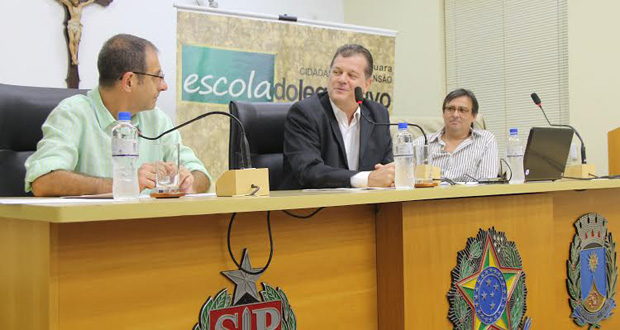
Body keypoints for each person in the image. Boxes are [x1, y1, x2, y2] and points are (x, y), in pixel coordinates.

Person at [25, 34, 210, 196]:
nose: (164, 86)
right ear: (129, 81)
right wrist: (123, 185)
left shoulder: (156, 118)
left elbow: (201, 174)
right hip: (89, 231)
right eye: (157, 77)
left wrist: (188, 183)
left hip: (149, 229)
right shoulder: (72, 113)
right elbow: (43, 180)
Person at [281, 44, 394, 190]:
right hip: (311, 208)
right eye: (337, 72)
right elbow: (309, 172)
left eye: (351, 75)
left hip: (364, 208)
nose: (342, 79)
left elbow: (385, 167)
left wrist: (390, 176)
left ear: (367, 84)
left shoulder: (378, 114)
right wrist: (367, 179)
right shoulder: (305, 113)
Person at [414, 88, 499, 182]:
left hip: (470, 196)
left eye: (462, 110)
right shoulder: (421, 143)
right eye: (450, 109)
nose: (455, 115)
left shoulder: (486, 140)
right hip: (429, 195)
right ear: (443, 113)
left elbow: (486, 183)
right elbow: (403, 178)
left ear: (474, 116)